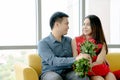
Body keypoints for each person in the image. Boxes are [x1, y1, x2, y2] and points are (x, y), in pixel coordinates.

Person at [38, 12, 90, 80]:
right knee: (55, 78)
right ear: (57, 24)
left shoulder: (69, 40)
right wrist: (76, 59)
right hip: (50, 72)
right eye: (66, 24)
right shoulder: (43, 43)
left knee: (82, 77)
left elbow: (77, 54)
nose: (68, 27)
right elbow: (53, 61)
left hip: (68, 72)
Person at [72, 15, 116, 80]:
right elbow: (75, 59)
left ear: (95, 27)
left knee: (111, 77)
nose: (85, 27)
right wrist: (85, 64)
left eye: (88, 25)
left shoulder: (101, 42)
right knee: (99, 79)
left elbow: (99, 62)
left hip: (100, 68)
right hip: (87, 70)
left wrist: (91, 63)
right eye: (84, 24)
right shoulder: (75, 40)